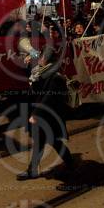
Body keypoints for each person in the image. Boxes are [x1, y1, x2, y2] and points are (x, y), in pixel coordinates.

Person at [17, 46, 75, 180]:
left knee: (52, 141)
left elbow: (49, 98)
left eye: (41, 57)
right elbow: (36, 88)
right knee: (45, 141)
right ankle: (34, 169)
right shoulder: (41, 72)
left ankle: (70, 164)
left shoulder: (55, 76)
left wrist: (36, 114)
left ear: (46, 59)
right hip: (44, 116)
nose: (39, 59)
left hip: (49, 116)